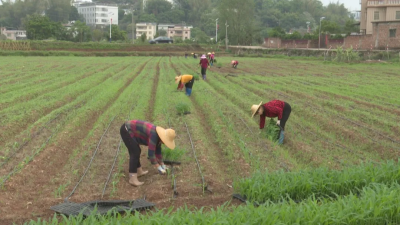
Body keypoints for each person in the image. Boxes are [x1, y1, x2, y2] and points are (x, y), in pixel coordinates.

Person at [120, 120, 176, 186]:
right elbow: (151, 154)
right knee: (135, 152)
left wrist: (162, 164)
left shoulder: (159, 137)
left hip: (133, 130)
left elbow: (158, 152)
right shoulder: (154, 135)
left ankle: (139, 171)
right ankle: (132, 179)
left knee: (137, 150)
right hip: (127, 130)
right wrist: (158, 167)